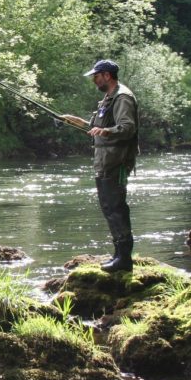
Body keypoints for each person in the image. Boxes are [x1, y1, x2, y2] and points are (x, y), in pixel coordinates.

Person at [60, 59, 139, 272]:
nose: (94, 80)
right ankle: (119, 256)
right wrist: (73, 121)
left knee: (116, 208)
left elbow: (127, 128)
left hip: (117, 161)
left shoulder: (122, 97)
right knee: (109, 208)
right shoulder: (108, 99)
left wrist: (106, 131)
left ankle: (124, 259)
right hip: (106, 161)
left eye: (96, 76)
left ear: (106, 75)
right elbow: (95, 127)